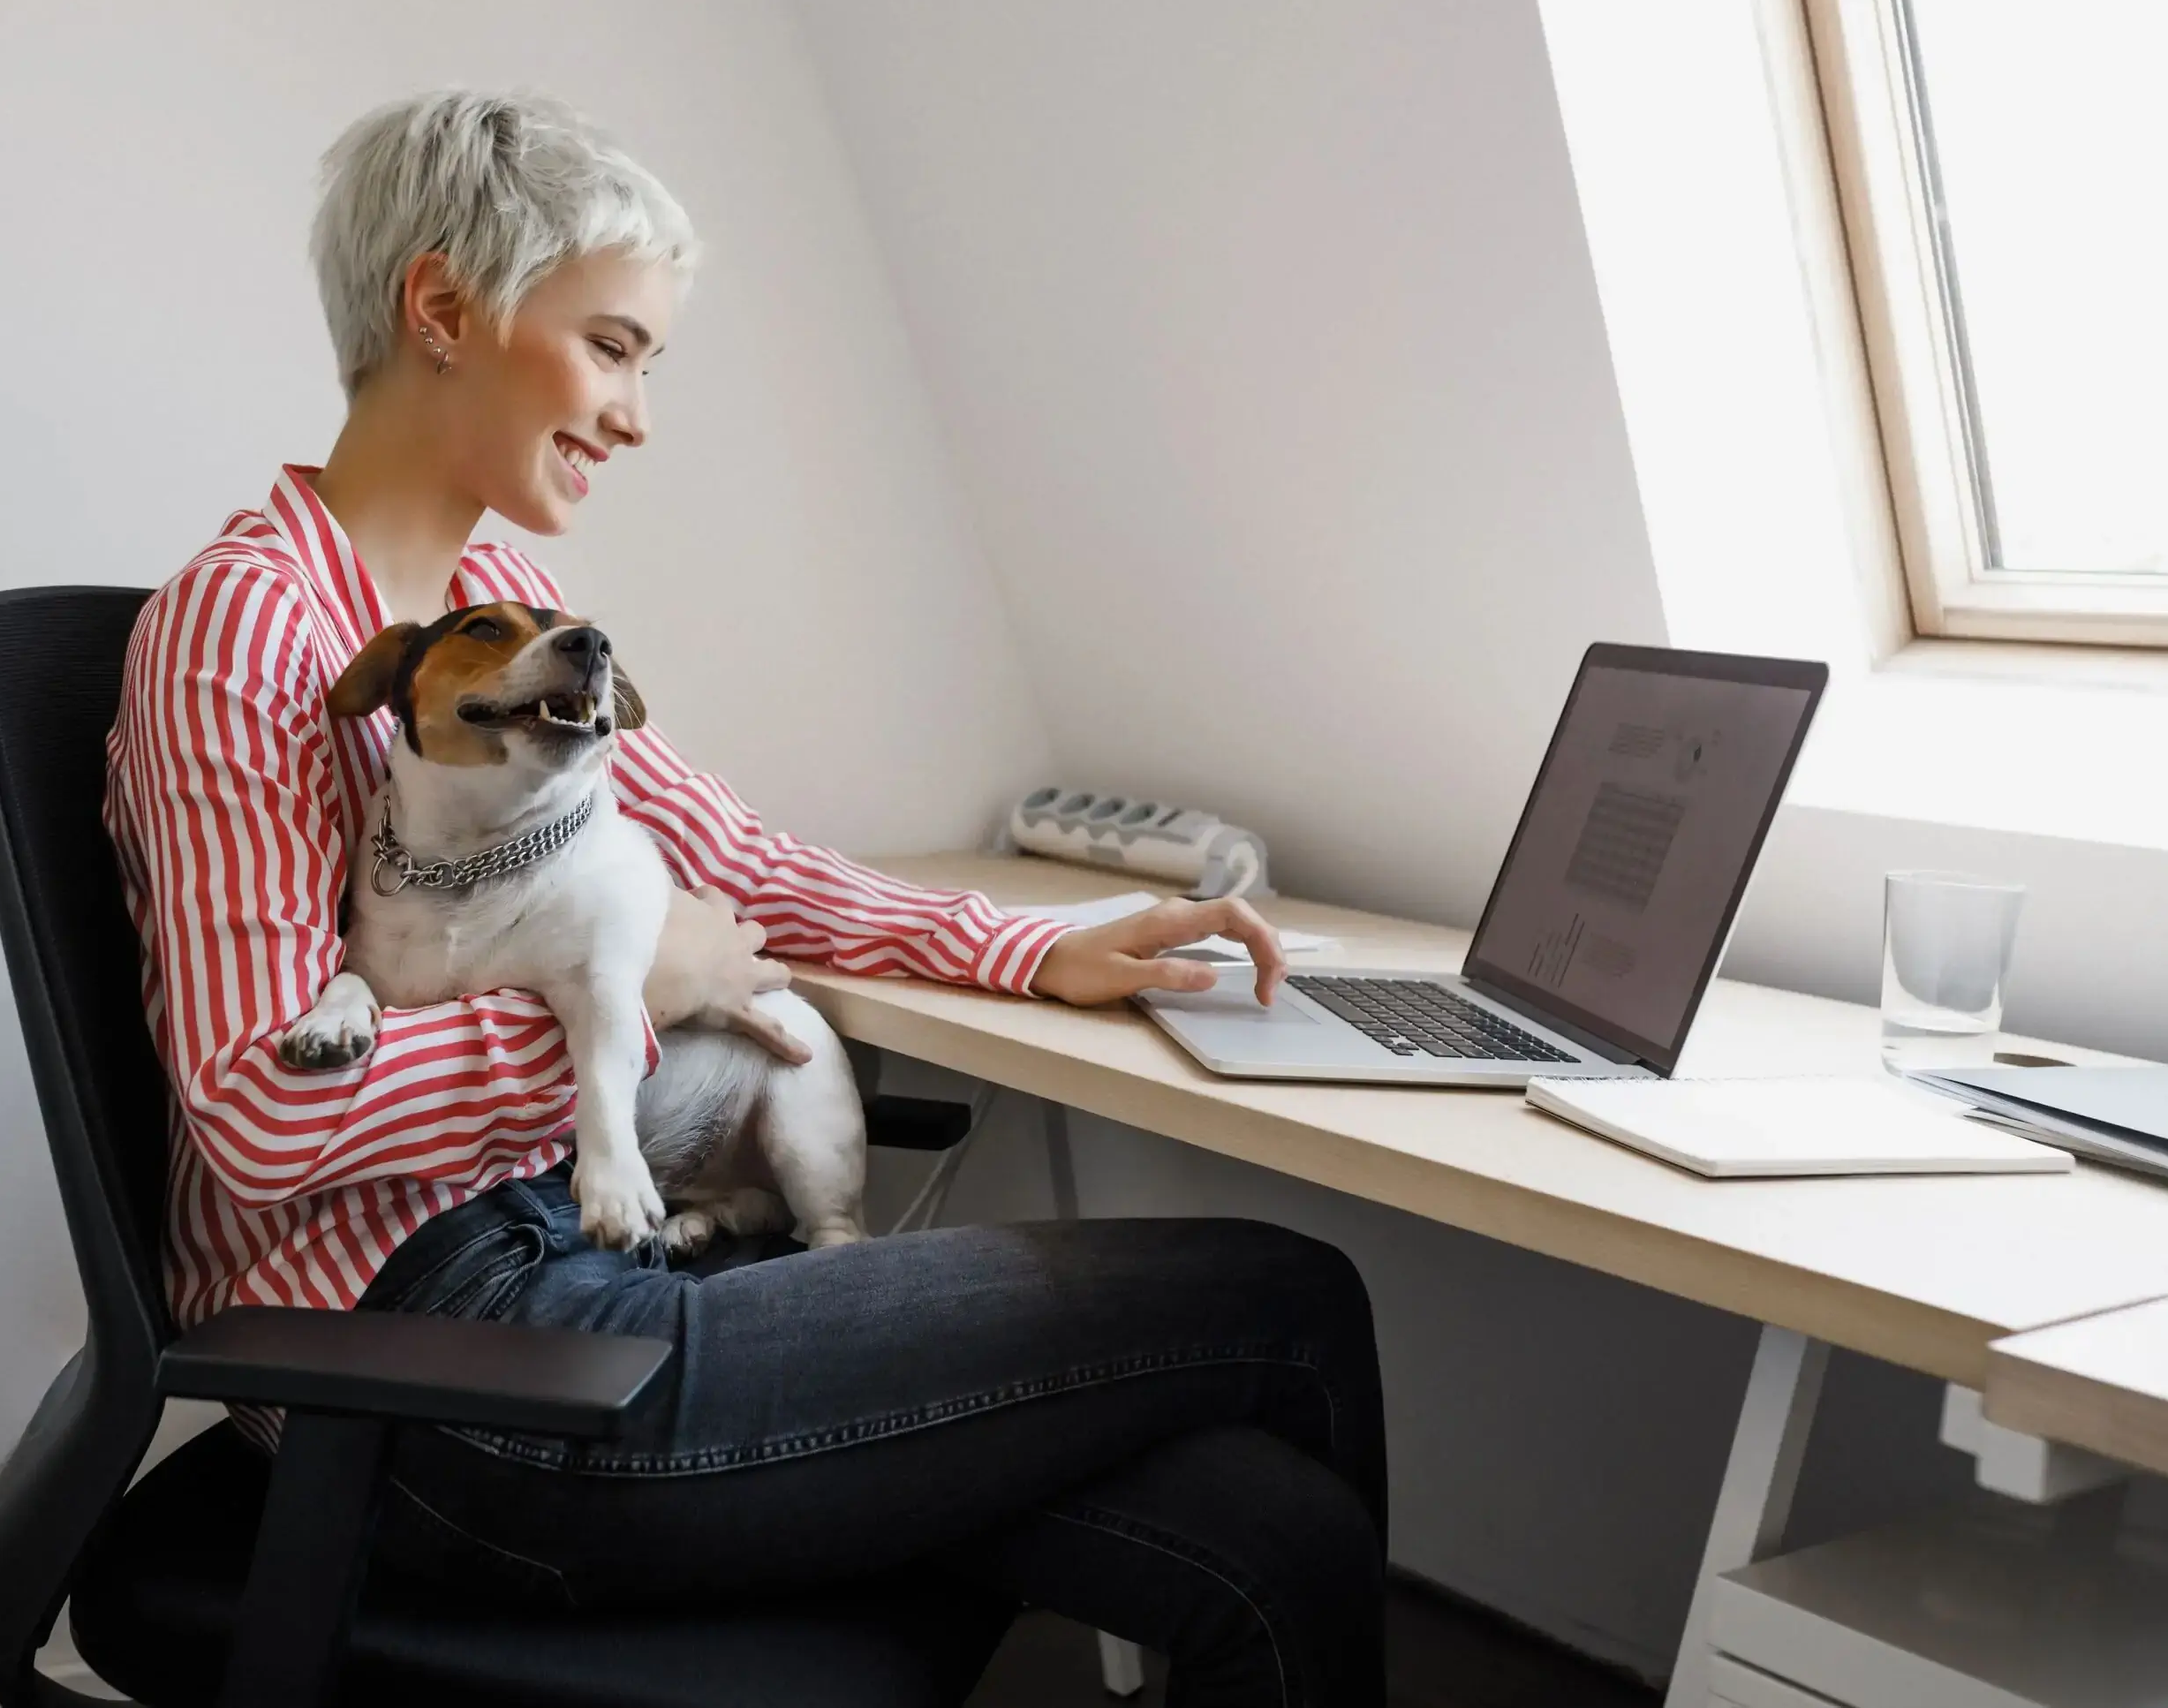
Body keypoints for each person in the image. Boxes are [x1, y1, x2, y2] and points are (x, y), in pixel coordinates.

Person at [105, 90, 1386, 1706]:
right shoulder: (250, 635)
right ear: (442, 309)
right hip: (438, 1368)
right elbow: (260, 1121)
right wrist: (637, 999)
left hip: (594, 1268)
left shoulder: (525, 617)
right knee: (1291, 1291)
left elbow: (742, 865)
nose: (637, 414)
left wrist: (1045, 946)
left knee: (1277, 1539)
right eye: (616, 347)